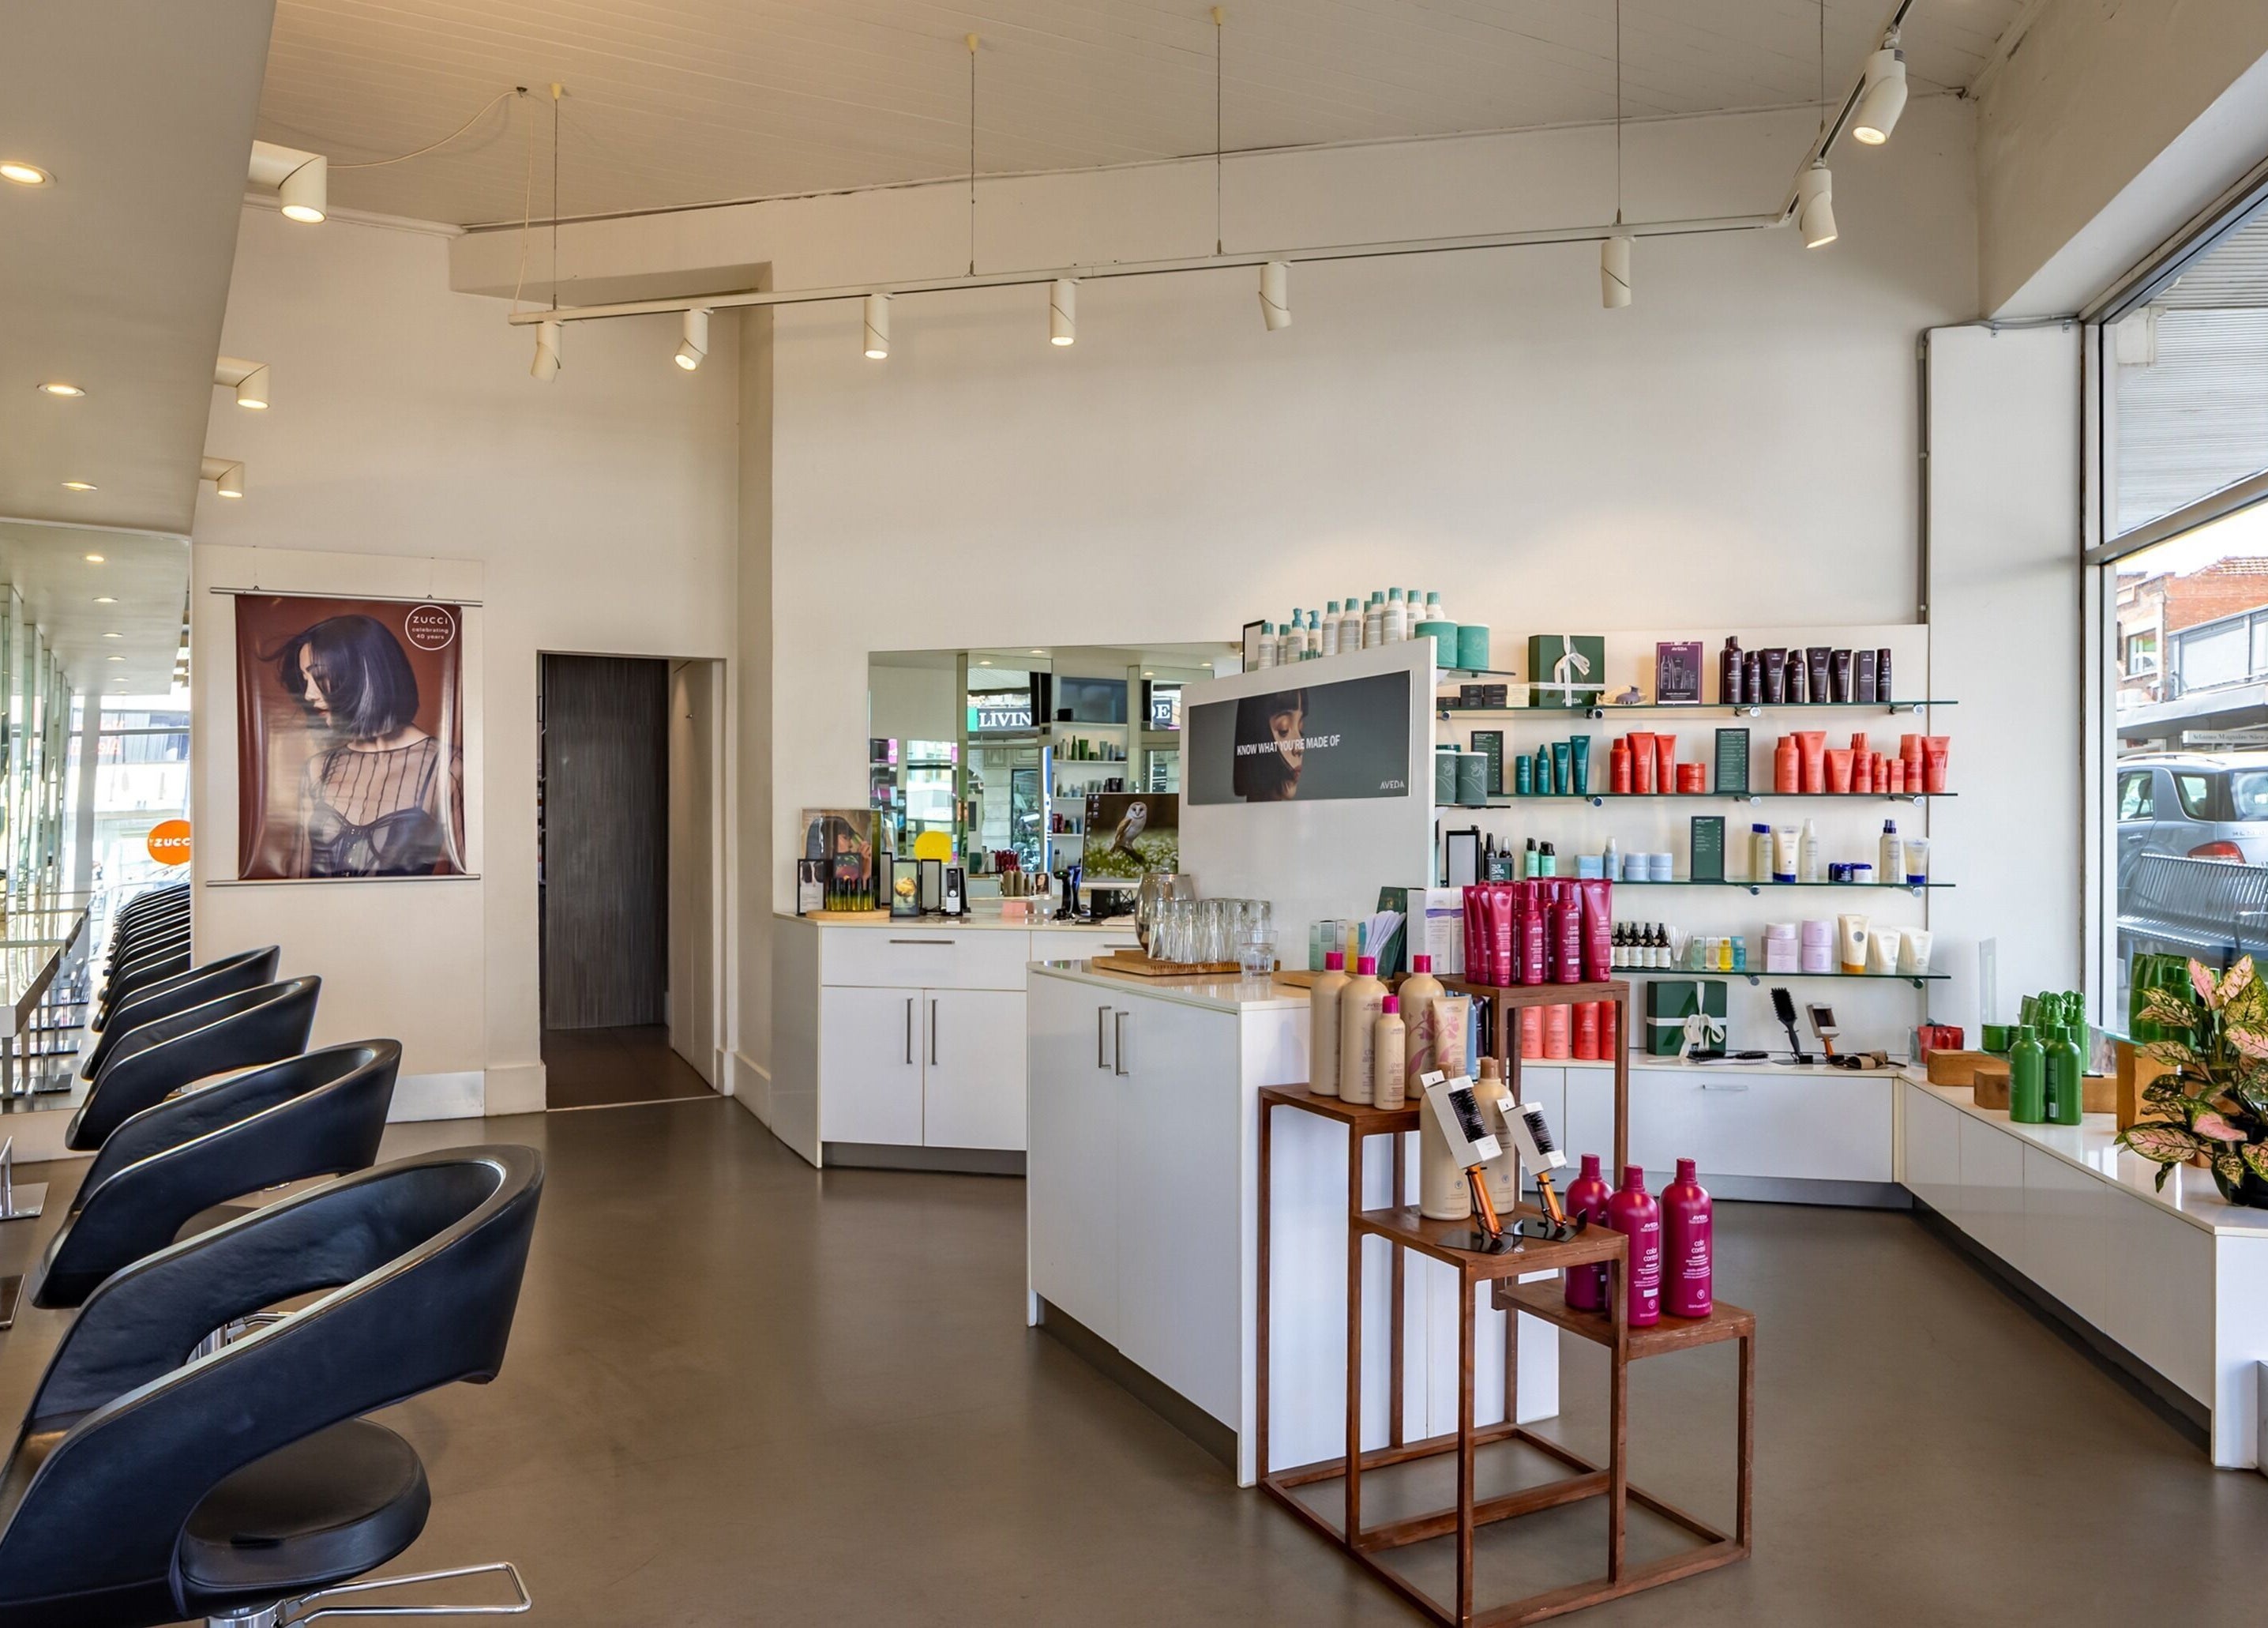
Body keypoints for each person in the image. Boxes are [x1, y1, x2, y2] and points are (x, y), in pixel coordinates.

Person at [272, 615, 464, 877]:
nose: (308, 694)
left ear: (364, 674)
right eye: (306, 680)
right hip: (319, 918)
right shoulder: (319, 768)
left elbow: (468, 880)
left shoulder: (447, 768)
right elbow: (298, 875)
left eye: (319, 676)